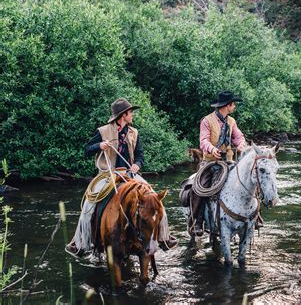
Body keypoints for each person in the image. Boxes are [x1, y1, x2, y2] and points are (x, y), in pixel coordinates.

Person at [66, 98, 178, 255]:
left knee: (155, 200)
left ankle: (165, 238)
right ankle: (80, 243)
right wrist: (99, 145)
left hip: (130, 175)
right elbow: (86, 150)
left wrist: (137, 164)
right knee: (88, 206)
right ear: (123, 115)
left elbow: (140, 155)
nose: (132, 115)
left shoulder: (134, 133)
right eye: (131, 112)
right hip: (107, 174)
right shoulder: (103, 131)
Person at [189, 90, 248, 236]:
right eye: (233, 104)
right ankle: (197, 220)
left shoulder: (231, 121)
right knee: (200, 187)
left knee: (247, 181)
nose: (234, 107)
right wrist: (212, 149)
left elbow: (239, 137)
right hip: (210, 162)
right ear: (228, 105)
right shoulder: (207, 121)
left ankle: (251, 216)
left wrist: (241, 144)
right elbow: (203, 141)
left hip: (228, 161)